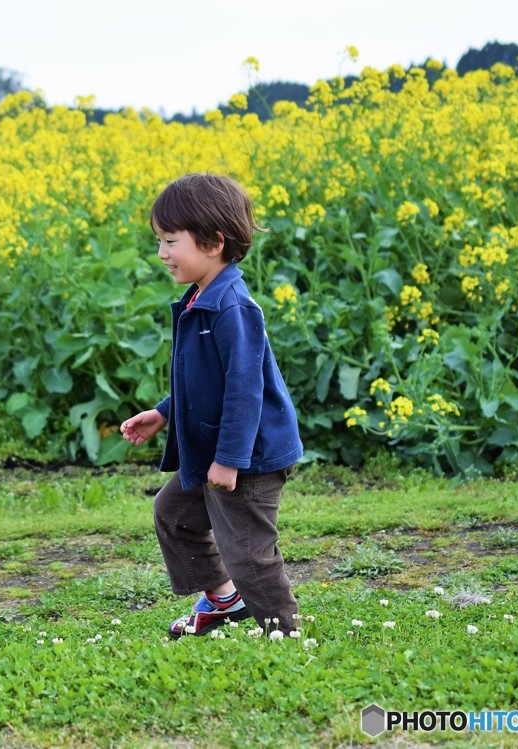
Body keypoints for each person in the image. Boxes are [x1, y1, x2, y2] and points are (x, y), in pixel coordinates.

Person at [120, 172, 303, 638]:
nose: (162, 253)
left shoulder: (233, 308)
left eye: (170, 241)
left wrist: (229, 460)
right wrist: (164, 411)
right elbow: (202, 381)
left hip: (248, 458)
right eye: (159, 241)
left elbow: (244, 392)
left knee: (246, 551)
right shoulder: (200, 299)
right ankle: (226, 600)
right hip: (216, 452)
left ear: (213, 242)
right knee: (173, 515)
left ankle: (283, 632)